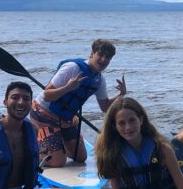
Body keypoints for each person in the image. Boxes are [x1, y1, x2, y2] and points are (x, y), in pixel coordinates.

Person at [30, 39, 127, 168]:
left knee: (81, 157)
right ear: (92, 54)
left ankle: (56, 141)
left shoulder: (99, 80)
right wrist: (68, 88)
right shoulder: (72, 68)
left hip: (65, 119)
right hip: (43, 114)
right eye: (100, 55)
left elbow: (105, 108)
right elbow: (47, 95)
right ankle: (31, 150)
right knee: (58, 162)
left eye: (108, 58)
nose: (103, 60)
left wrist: (121, 95)